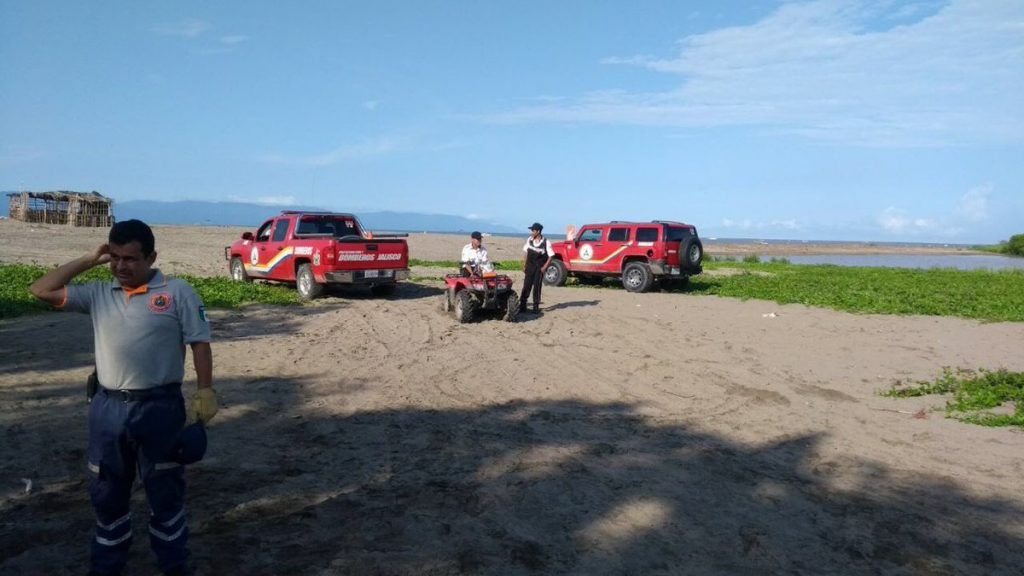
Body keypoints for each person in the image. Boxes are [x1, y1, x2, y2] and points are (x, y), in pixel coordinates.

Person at [28, 219, 217, 576]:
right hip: (108, 409)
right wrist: (89, 258)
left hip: (160, 408)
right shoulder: (99, 294)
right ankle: (108, 567)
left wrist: (205, 391)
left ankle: (174, 566)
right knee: (107, 493)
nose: (120, 267)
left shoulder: (178, 292)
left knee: (165, 493)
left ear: (152, 257)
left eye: (130, 259)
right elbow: (40, 290)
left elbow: (200, 344)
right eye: (114, 258)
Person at [520, 222, 554, 314]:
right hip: (529, 266)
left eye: (533, 230)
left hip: (539, 267)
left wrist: (545, 267)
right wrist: (524, 265)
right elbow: (526, 253)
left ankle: (536, 306)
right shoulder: (529, 240)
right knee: (526, 285)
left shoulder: (546, 242)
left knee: (537, 287)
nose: (531, 232)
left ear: (538, 231)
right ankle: (522, 304)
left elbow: (551, 256)